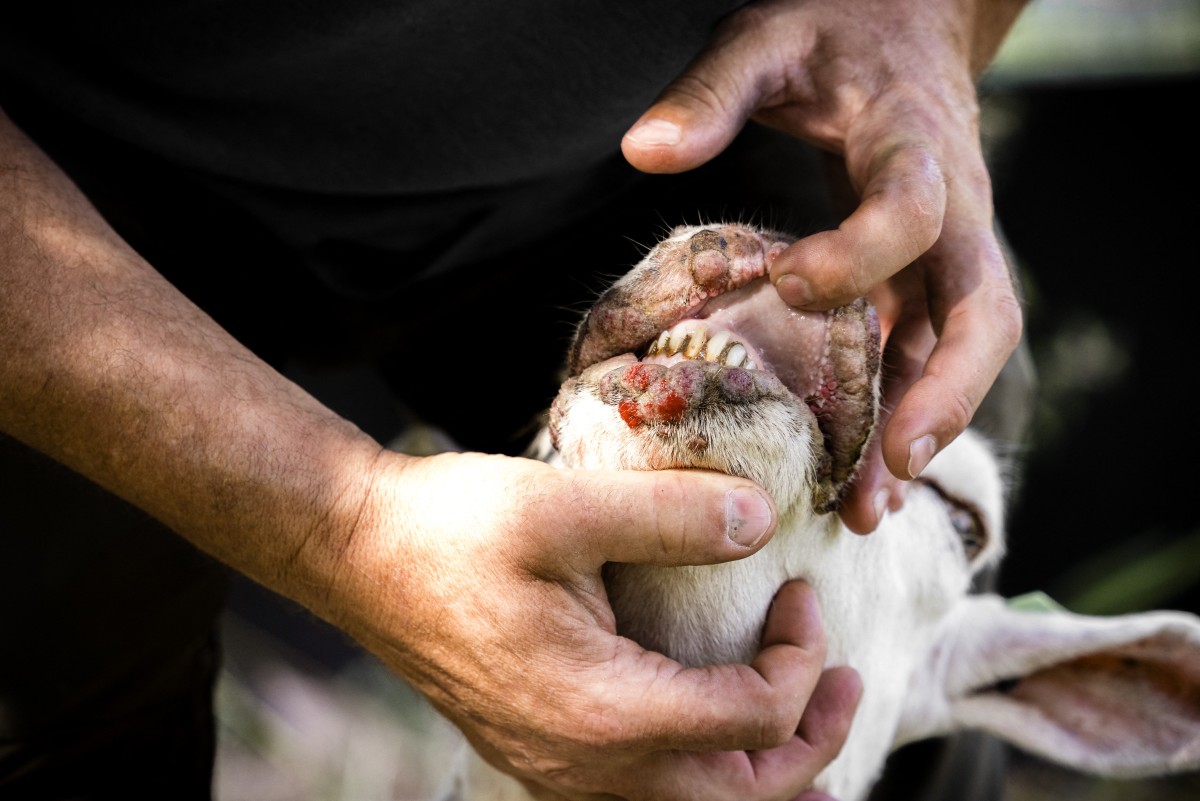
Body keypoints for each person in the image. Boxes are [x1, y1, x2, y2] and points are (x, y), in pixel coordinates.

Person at [0, 0, 1026, 799]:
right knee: (55, 716)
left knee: (962, 370)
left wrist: (929, 21)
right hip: (61, 184)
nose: (900, 482)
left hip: (659, 123)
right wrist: (339, 521)